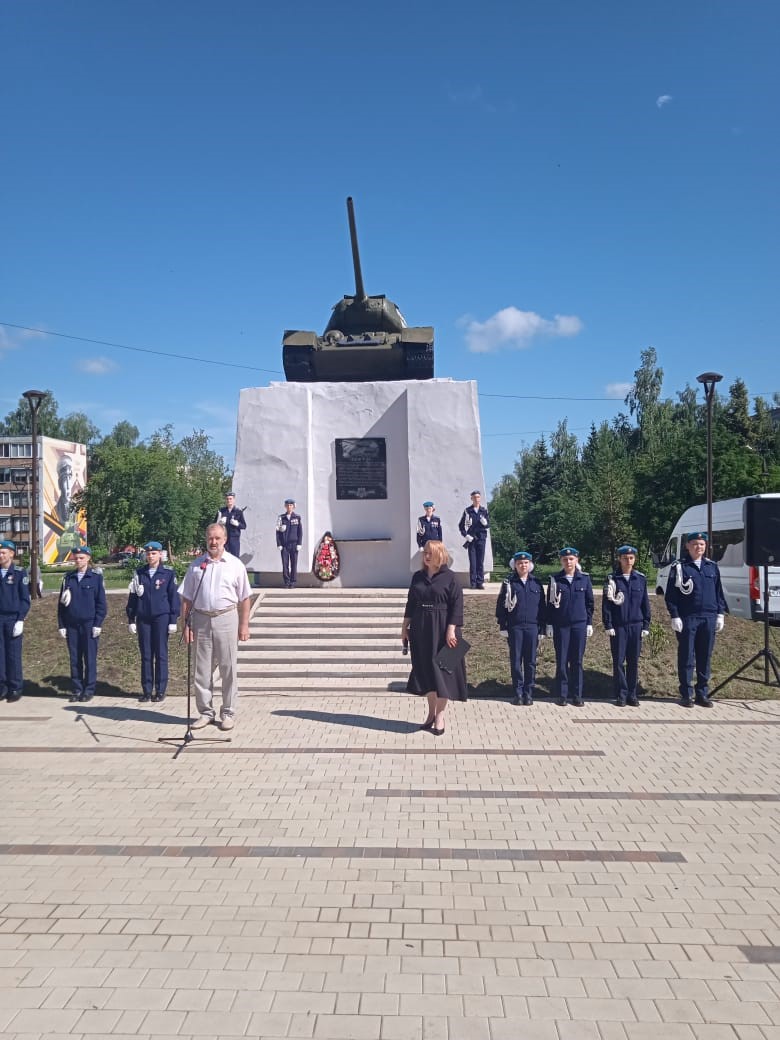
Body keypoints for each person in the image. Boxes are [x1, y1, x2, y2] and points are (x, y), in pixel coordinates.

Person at [181, 523, 252, 731]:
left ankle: (228, 712)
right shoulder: (196, 566)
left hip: (226, 618)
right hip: (201, 620)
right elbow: (186, 599)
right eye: (210, 538)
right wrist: (186, 625)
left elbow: (245, 597)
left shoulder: (235, 564)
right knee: (201, 669)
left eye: (217, 538)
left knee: (228, 668)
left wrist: (244, 625)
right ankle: (205, 712)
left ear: (225, 540)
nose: (213, 542)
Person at [402, 540, 467, 735]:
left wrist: (451, 629)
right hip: (421, 628)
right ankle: (431, 714)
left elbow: (457, 605)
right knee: (426, 672)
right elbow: (411, 602)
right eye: (425, 553)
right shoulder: (418, 577)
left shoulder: (451, 578)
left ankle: (440, 716)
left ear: (440, 554)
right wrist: (404, 627)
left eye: (430, 553)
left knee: (444, 673)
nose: (426, 556)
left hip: (445, 629)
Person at [665, 531, 727, 708]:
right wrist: (675, 615)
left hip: (708, 616)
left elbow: (718, 593)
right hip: (688, 617)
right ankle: (686, 694)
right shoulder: (679, 567)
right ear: (687, 546)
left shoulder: (712, 567)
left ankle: (702, 693)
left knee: (704, 656)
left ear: (705, 546)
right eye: (694, 544)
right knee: (686, 656)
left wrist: (720, 614)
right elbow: (671, 595)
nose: (698, 547)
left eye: (701, 544)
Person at [126, 540, 181, 704]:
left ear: (160, 554)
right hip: (143, 618)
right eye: (148, 553)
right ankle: (147, 690)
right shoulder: (139, 573)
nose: (150, 556)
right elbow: (133, 597)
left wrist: (173, 619)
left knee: (161, 655)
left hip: (161, 617)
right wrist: (131, 618)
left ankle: (161, 690)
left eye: (154, 553)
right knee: (146, 655)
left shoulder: (168, 574)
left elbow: (173, 598)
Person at [602, 544, 651, 707]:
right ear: (619, 559)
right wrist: (608, 624)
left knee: (633, 661)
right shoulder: (612, 579)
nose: (628, 561)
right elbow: (606, 604)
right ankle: (621, 694)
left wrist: (646, 625)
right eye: (625, 558)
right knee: (618, 662)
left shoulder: (640, 579)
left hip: (636, 625)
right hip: (619, 626)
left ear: (634, 559)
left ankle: (632, 694)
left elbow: (645, 604)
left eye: (631, 558)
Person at [495, 550, 546, 705]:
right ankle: (518, 692)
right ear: (515, 566)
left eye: (525, 563)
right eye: (519, 563)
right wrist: (502, 625)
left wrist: (542, 628)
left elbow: (542, 608)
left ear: (530, 565)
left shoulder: (536, 583)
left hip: (532, 627)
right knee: (516, 661)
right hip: (515, 627)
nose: (523, 565)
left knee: (530, 661)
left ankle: (528, 693)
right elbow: (501, 606)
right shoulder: (509, 583)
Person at [57, 546, 107, 703]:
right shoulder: (68, 578)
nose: (78, 560)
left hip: (89, 624)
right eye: (76, 557)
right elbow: (61, 605)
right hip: (72, 624)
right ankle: (77, 689)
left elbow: (101, 604)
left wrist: (98, 623)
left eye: (81, 557)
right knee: (75, 658)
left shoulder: (95, 578)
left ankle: (89, 689)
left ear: (88, 558)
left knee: (89, 658)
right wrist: (62, 625)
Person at [546, 546, 594, 707]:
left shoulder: (584, 579)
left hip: (579, 625)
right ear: (561, 561)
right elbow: (550, 604)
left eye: (571, 559)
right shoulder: (555, 579)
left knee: (577, 661)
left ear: (576, 560)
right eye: (565, 559)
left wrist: (589, 623)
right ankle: (562, 694)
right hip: (561, 626)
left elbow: (589, 603)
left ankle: (577, 695)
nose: (568, 562)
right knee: (561, 661)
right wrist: (550, 624)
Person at [0, 539, 31, 703]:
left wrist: (20, 619)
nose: (0, 555)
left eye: (3, 552)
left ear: (11, 554)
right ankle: (2, 687)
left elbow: (25, 600)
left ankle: (15, 687)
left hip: (12, 618)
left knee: (13, 655)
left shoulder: (19, 573)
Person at [458, 490, 490, 589]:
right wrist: (466, 535)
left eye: (478, 497)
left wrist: (485, 523)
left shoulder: (484, 511)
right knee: (473, 561)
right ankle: (473, 583)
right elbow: (461, 525)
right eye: (474, 497)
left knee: (480, 561)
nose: (477, 499)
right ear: (471, 499)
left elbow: (488, 525)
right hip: (472, 539)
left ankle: (480, 582)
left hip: (481, 538)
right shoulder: (468, 511)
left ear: (480, 498)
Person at [276, 498, 303, 588]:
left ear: (294, 506)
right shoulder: (281, 518)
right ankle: (287, 582)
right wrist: (279, 544)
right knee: (285, 564)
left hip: (294, 544)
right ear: (285, 506)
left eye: (291, 505)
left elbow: (300, 532)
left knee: (294, 564)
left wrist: (299, 543)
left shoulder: (297, 517)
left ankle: (293, 582)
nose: (289, 507)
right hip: (284, 545)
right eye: (287, 505)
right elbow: (277, 532)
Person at [216, 492, 246, 557]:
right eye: (227, 499)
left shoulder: (238, 512)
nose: (229, 500)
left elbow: (244, 526)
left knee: (235, 558)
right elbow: (214, 525)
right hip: (224, 539)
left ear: (234, 500)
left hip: (234, 539)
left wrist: (237, 524)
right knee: (223, 557)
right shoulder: (221, 511)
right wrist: (219, 523)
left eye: (230, 499)